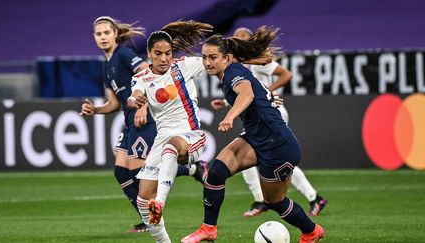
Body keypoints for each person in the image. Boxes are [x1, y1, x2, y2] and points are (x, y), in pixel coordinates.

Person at [182, 26, 324, 243]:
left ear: (227, 57)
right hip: (257, 138)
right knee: (216, 174)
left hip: (278, 146)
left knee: (274, 202)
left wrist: (230, 116)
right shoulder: (232, 69)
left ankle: (311, 232)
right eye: (204, 57)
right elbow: (252, 93)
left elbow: (246, 94)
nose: (208, 62)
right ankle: (208, 228)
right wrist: (264, 98)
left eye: (213, 57)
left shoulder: (233, 72)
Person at [80, 16, 203, 234]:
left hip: (142, 120)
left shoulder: (124, 54)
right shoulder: (106, 66)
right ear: (94, 37)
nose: (103, 37)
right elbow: (115, 102)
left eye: (106, 32)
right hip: (129, 122)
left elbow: (146, 74)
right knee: (120, 172)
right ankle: (151, 212)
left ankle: (187, 173)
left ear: (115, 34)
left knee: (140, 174)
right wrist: (96, 110)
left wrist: (142, 106)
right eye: (98, 34)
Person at [210, 27, 327, 218]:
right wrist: (225, 102)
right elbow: (244, 92)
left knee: (271, 159)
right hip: (258, 113)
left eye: (242, 37)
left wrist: (267, 94)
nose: (238, 39)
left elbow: (284, 74)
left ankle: (298, 198)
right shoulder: (235, 66)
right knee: (266, 161)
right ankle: (300, 198)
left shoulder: (254, 63)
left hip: (272, 114)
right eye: (236, 36)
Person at [126, 20, 213, 243]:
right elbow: (133, 94)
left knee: (172, 145)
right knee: (143, 199)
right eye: (158, 54)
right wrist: (135, 100)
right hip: (162, 142)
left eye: (168, 53)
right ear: (149, 53)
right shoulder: (142, 78)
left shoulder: (184, 66)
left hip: (191, 136)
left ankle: (161, 201)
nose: (164, 59)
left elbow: (218, 62)